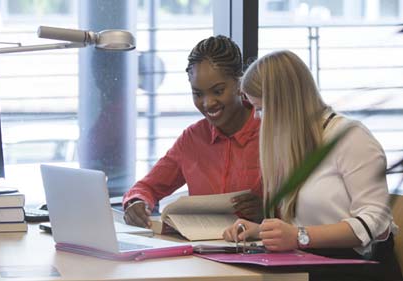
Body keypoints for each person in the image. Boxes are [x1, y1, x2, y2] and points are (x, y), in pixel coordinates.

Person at [222, 50, 401, 281]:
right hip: (313, 261)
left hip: (358, 269)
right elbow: (304, 224)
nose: (257, 117)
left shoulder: (350, 137)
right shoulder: (294, 144)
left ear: (283, 104)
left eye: (261, 108)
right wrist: (264, 232)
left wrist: (298, 236)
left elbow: (376, 224)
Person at [122, 35, 263, 228]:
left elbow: (301, 205)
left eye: (218, 91)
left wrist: (267, 210)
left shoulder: (270, 131)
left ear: (239, 84)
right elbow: (146, 187)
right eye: (198, 94)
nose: (207, 103)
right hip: (203, 251)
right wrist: (136, 202)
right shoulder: (192, 139)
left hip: (261, 251)